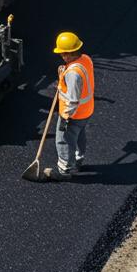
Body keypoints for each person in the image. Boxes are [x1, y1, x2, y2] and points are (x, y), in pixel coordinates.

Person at [44, 31, 95, 181]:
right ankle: (78, 160)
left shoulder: (73, 74)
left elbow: (73, 99)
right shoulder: (85, 59)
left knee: (64, 139)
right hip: (87, 110)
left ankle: (65, 170)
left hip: (74, 114)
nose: (61, 56)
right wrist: (63, 72)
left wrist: (66, 116)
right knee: (79, 136)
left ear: (68, 54)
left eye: (62, 53)